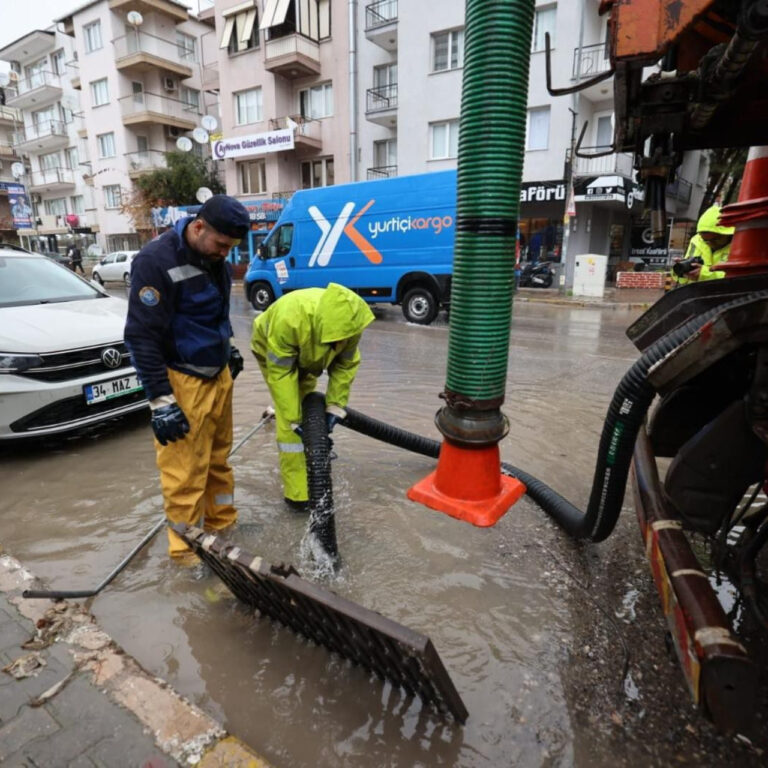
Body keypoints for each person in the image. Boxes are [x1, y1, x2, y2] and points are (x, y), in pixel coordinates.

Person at [124, 195, 250, 563]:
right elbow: (141, 336)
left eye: (232, 247)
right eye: (222, 244)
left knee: (218, 463)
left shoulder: (215, 260)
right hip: (183, 380)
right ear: (198, 228)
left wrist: (229, 349)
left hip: (218, 375)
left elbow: (212, 314)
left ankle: (223, 527)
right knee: (184, 475)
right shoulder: (155, 261)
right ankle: (186, 556)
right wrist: (161, 402)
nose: (226, 254)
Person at [250, 283, 375, 511]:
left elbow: (345, 365)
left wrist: (334, 407)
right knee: (290, 426)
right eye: (336, 340)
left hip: (308, 356)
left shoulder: (351, 325)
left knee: (310, 408)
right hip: (271, 349)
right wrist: (294, 419)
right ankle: (297, 495)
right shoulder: (291, 319)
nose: (342, 343)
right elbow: (282, 373)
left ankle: (313, 459)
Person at [671, 205, 734, 286]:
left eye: (716, 239)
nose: (711, 244)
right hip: (697, 294)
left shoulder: (740, 244)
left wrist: (704, 275)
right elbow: (682, 280)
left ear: (728, 234)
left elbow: (740, 278)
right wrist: (682, 270)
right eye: (706, 241)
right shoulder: (697, 240)